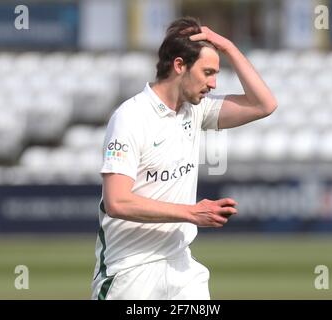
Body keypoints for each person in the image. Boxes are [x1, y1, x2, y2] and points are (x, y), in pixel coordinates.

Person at [91, 16, 277, 300]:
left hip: (181, 267)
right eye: (207, 72)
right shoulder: (131, 117)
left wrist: (227, 47)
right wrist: (192, 212)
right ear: (179, 65)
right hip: (131, 270)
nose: (213, 83)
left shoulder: (196, 111)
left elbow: (264, 104)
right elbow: (117, 202)